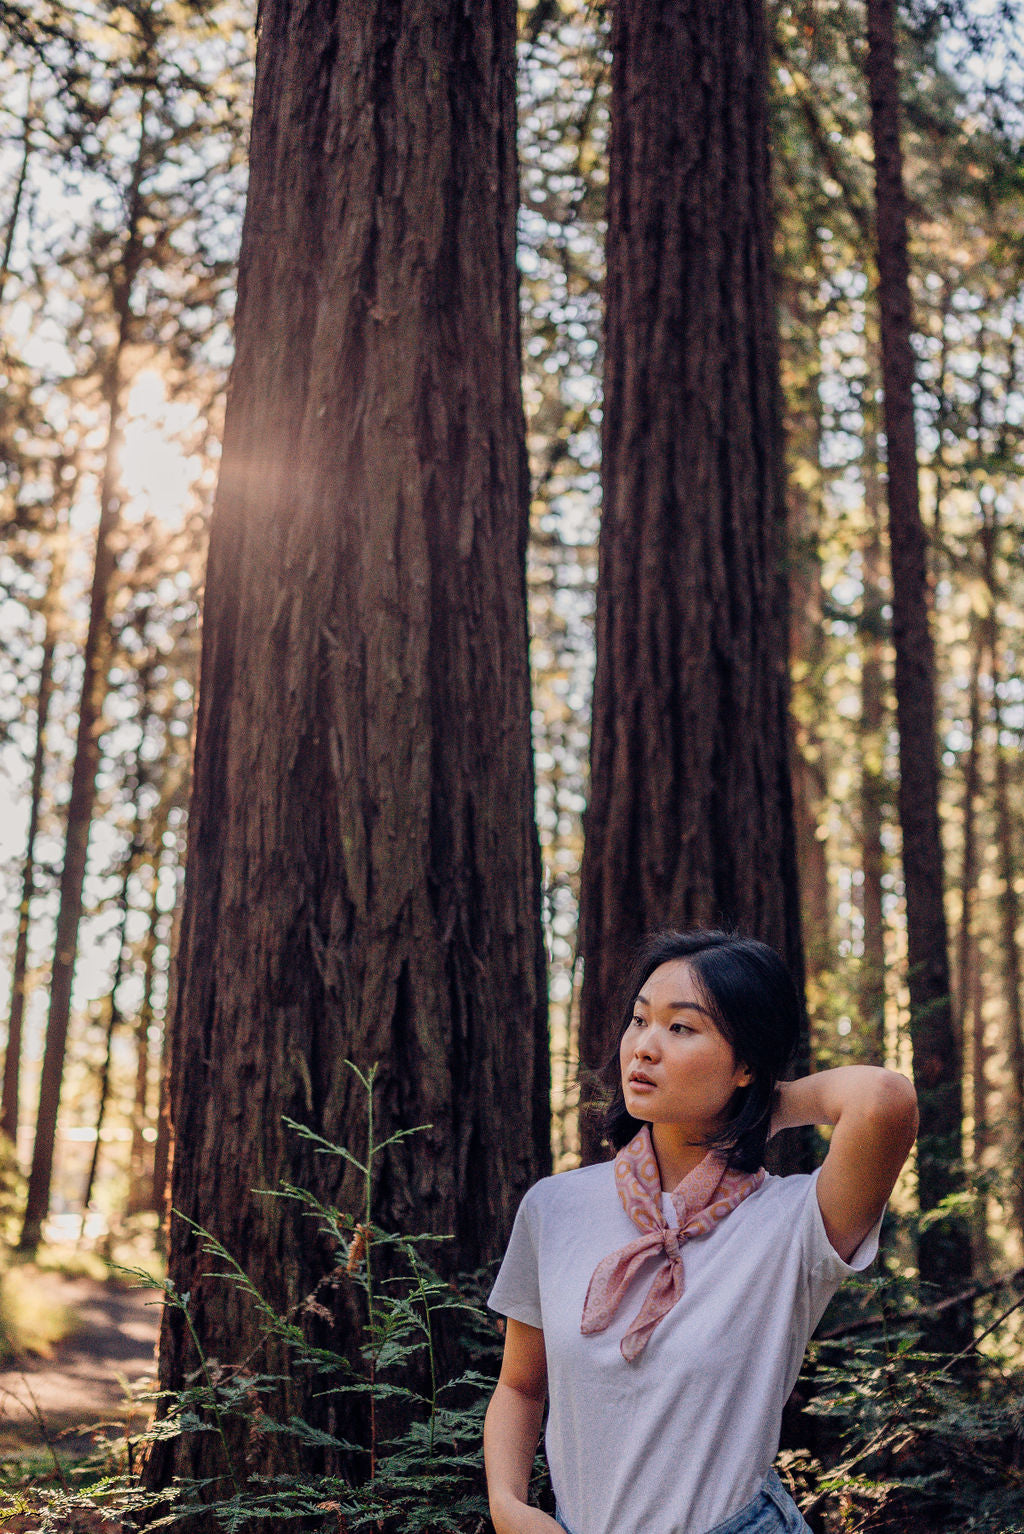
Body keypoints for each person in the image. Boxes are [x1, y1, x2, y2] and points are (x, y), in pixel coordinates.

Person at [483, 929, 919, 1534]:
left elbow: (883, 1100)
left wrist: (762, 1104)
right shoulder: (555, 1207)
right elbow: (522, 1387)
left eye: (680, 1028)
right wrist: (508, 1506)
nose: (644, 1047)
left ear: (744, 1063)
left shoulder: (792, 1224)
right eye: (639, 1020)